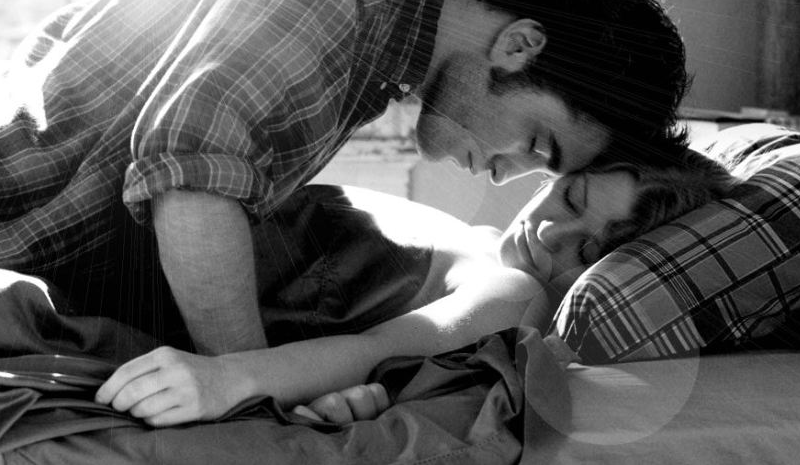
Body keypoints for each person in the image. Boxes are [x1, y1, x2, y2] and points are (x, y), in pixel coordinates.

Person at [0, 0, 689, 356]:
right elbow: (190, 170)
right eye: (536, 145)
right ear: (518, 46)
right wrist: (244, 386)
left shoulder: (368, 40)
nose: (508, 173)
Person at [95, 148, 734, 426]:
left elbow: (373, 350)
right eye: (570, 198)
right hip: (159, 240)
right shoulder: (481, 241)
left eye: (587, 251)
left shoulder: (518, 292)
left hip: (141, 254)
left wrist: (227, 379)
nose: (551, 234)